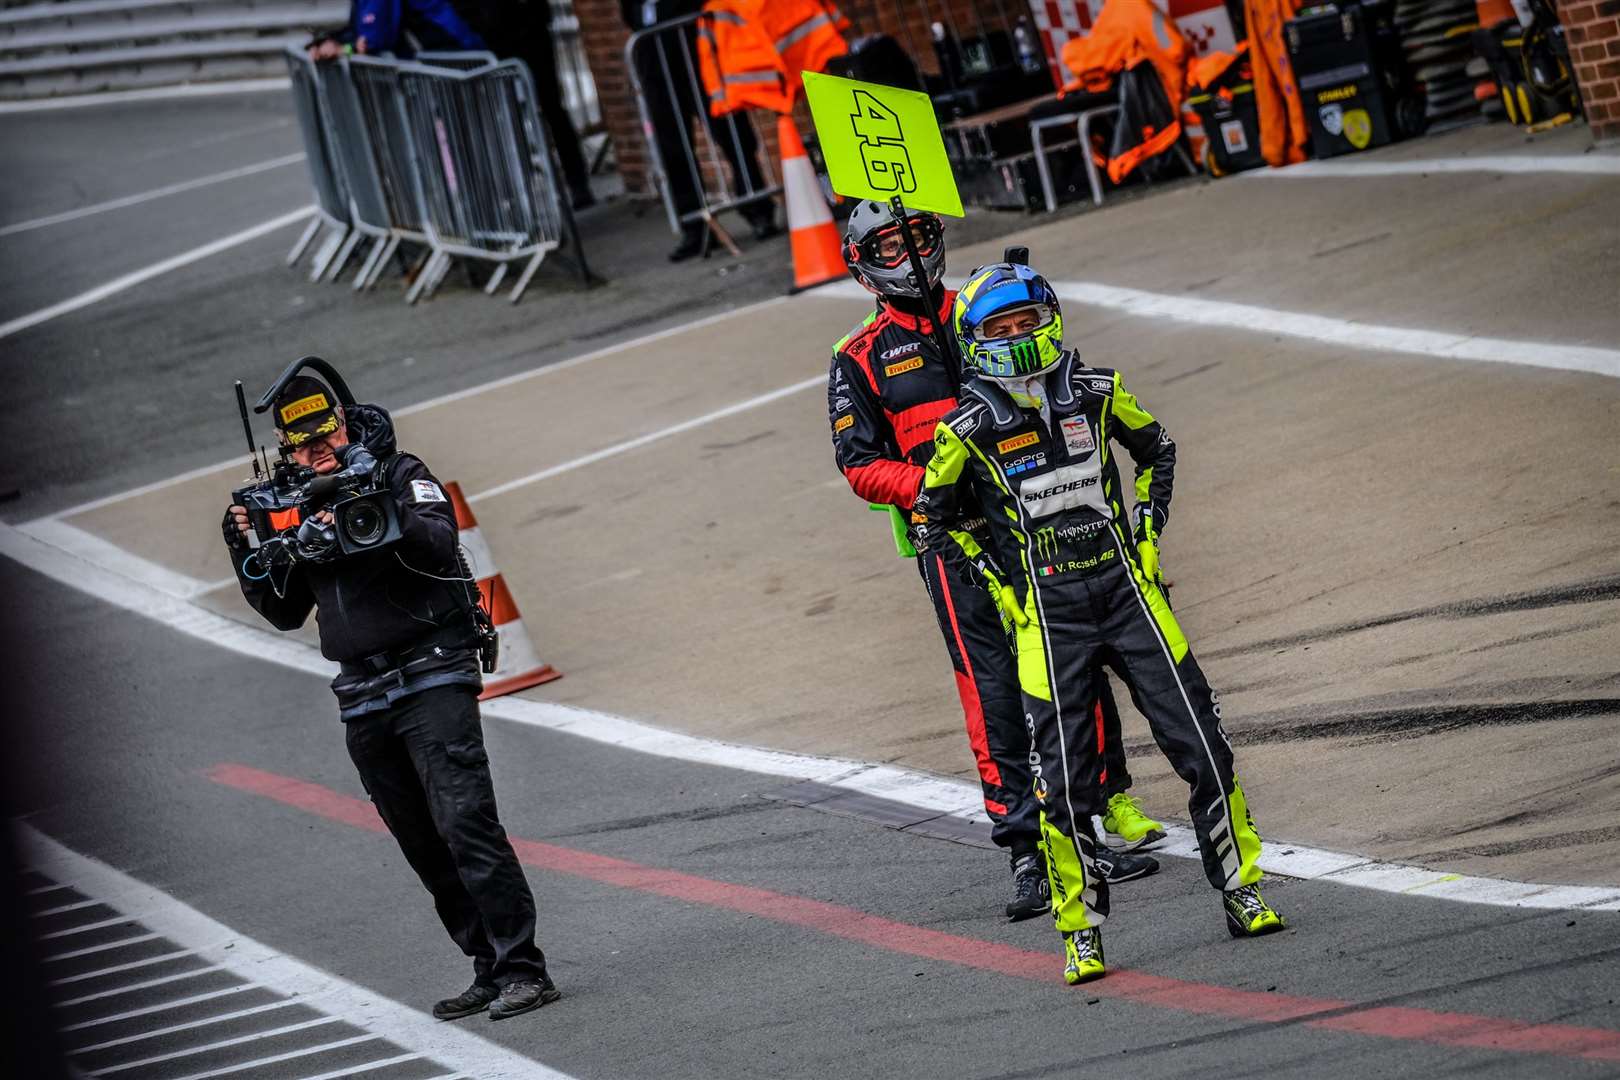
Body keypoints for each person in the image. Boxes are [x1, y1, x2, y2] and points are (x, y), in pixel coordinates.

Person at [913, 260, 1288, 985]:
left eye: (1028, 322)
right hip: (1046, 621)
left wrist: (1146, 538)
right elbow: (935, 522)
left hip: (1129, 595)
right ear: (976, 340)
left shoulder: (1099, 390)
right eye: (1001, 328)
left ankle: (1243, 888)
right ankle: (1080, 929)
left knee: (1203, 744)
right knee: (1062, 783)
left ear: (1051, 318)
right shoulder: (965, 429)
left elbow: (1159, 452)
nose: (1019, 337)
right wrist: (1005, 590)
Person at [827, 203, 1163, 923]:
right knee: (990, 685)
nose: (909, 251)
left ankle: (1093, 820)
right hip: (950, 542)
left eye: (918, 235)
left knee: (1071, 662)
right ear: (861, 264)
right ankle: (1025, 850)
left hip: (1039, 518)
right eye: (891, 242)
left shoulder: (988, 305)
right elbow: (859, 465)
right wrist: (939, 487)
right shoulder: (857, 356)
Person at [222, 371, 559, 1022]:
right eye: (302, 445)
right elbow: (284, 611)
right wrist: (251, 546)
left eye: (327, 436)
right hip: (361, 689)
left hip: (432, 665)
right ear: (285, 450)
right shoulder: (287, 504)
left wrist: (368, 509)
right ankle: (486, 965)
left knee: (464, 820)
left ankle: (524, 968)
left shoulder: (401, 471)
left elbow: (439, 539)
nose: (317, 452)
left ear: (346, 424)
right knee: (421, 838)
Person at [621, 0, 779, 261]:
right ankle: (694, 226)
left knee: (731, 134)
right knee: (671, 148)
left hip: (698, 54)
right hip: (655, 63)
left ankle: (758, 210)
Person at [461, 0, 596, 210]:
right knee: (513, 120)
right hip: (498, 41)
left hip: (529, 31)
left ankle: (576, 181)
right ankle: (529, 193)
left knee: (552, 109)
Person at [308, 0, 488, 60]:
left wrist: (343, 49)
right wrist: (331, 41)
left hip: (455, 61)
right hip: (446, 63)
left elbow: (373, 40)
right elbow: (359, 33)